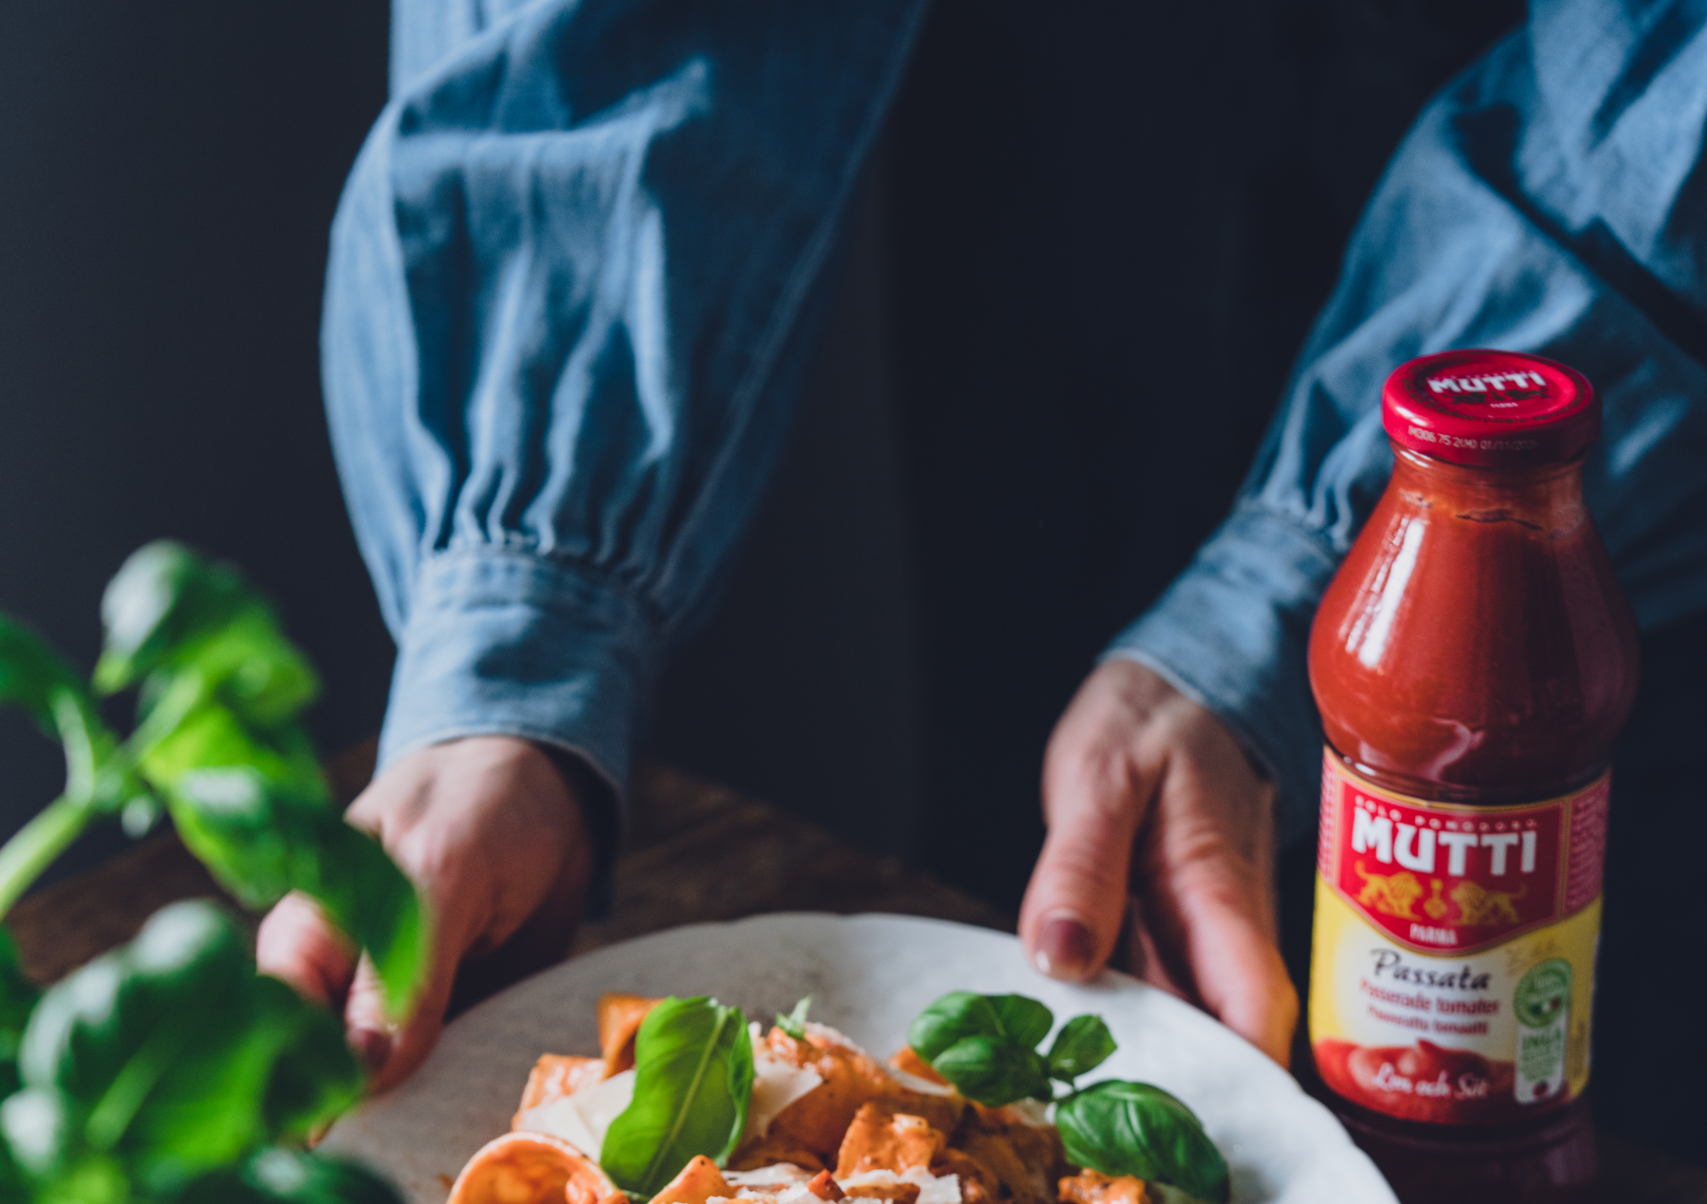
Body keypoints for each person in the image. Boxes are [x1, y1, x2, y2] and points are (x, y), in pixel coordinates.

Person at [263, 0, 1707, 1131]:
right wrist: (517, 652)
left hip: (1637, 331)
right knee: (1051, 926)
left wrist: (1295, 599)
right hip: (1070, 123)